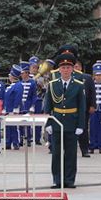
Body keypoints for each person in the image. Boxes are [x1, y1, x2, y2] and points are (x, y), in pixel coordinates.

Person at [43, 51, 85, 189]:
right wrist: (48, 122)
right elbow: (48, 106)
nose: (65, 70)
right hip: (57, 122)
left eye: (68, 68)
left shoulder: (78, 85)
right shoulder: (53, 84)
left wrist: (80, 125)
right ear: (59, 69)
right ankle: (57, 179)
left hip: (72, 123)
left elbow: (82, 107)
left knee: (71, 153)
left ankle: (69, 180)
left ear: (72, 69)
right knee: (56, 153)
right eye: (63, 68)